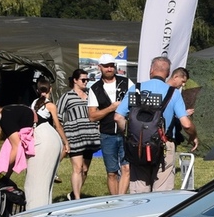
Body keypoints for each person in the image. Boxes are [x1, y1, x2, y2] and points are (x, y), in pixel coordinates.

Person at [115, 55, 197, 193]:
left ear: (151, 70)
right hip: (164, 145)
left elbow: (118, 117)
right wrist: (194, 135)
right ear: (168, 72)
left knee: (139, 192)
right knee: (162, 192)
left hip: (138, 145)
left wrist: (129, 133)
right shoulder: (173, 93)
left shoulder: (136, 88)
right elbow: (186, 124)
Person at [24, 78, 69, 209]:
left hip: (34, 135)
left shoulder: (33, 103)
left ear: (38, 90)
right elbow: (57, 125)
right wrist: (66, 141)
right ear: (51, 89)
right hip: (45, 134)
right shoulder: (50, 105)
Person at [89, 55, 129, 195]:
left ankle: (122, 198)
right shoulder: (95, 88)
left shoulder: (126, 82)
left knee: (126, 168)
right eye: (106, 66)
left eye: (112, 65)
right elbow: (92, 116)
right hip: (107, 134)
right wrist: (111, 108)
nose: (110, 68)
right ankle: (114, 200)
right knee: (111, 172)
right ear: (100, 67)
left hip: (126, 133)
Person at [58, 69, 101, 199]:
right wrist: (63, 137)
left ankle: (73, 194)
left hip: (90, 136)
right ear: (75, 80)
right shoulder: (67, 96)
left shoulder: (91, 95)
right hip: (75, 136)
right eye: (83, 79)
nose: (86, 82)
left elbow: (97, 112)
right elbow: (58, 117)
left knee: (85, 169)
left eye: (87, 80)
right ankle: (77, 199)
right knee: (77, 167)